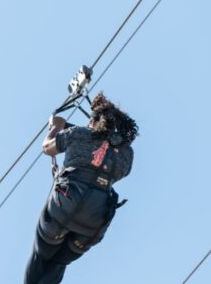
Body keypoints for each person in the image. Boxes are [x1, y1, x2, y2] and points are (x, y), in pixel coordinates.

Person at [24, 93, 138, 284]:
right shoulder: (127, 154)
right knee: (59, 262)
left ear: (94, 122)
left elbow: (47, 148)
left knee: (41, 255)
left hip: (64, 207)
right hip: (94, 222)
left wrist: (57, 128)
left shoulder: (80, 134)